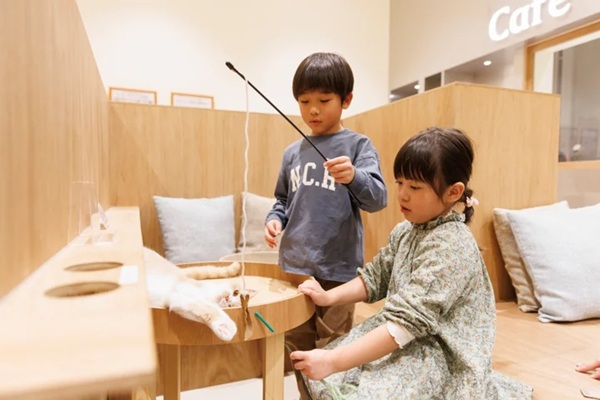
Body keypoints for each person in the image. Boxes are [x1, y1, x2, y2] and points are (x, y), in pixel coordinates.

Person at [290, 127, 533, 399]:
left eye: (415, 187)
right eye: (400, 183)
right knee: (334, 373)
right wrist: (328, 297)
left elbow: (408, 323)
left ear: (453, 192)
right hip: (405, 336)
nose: (403, 194)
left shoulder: (452, 245)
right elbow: (376, 277)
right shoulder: (405, 230)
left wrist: (334, 361)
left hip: (440, 353)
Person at [264, 52, 387, 399]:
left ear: (346, 100)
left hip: (339, 270)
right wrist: (274, 220)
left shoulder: (359, 146)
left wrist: (354, 176)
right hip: (296, 268)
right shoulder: (292, 152)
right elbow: (282, 201)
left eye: (323, 100)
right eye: (304, 102)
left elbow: (377, 199)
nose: (313, 110)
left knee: (335, 350)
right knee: (298, 351)